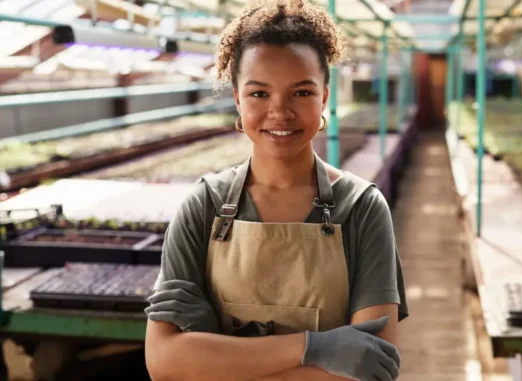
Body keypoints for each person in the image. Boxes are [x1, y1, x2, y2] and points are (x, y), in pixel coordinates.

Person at [144, 0, 408, 380]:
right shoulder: (204, 206)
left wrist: (214, 351)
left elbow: (373, 368)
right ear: (237, 97)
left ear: (325, 98)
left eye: (301, 93)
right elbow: (164, 363)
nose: (280, 112)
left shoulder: (362, 208)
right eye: (259, 94)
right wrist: (315, 349)